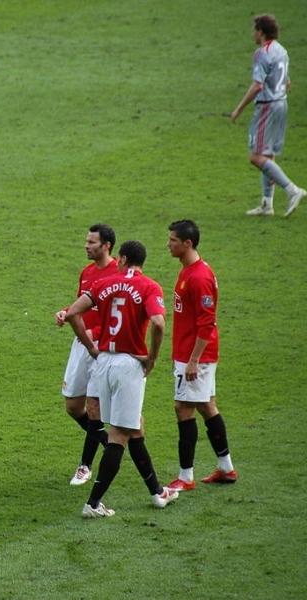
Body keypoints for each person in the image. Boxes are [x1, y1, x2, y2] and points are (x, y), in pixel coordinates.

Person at [66, 241, 178, 518]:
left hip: (102, 361)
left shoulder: (104, 283)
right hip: (129, 366)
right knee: (119, 435)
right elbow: (160, 323)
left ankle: (157, 493)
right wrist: (151, 357)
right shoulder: (149, 287)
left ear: (123, 258)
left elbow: (72, 313)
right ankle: (92, 504)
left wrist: (92, 348)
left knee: (134, 428)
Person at [166, 220, 237, 492]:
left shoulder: (198, 277)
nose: (168, 244)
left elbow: (207, 323)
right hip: (190, 351)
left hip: (194, 354)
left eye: (173, 240)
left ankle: (185, 477)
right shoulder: (189, 271)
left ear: (188, 243)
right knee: (207, 405)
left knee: (183, 408)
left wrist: (194, 360)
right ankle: (226, 468)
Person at [55, 224, 119, 486]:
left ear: (107, 246)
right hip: (81, 343)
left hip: (102, 348)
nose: (86, 246)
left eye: (92, 242)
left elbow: (121, 314)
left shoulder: (118, 274)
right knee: (73, 406)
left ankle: (85, 466)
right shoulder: (87, 272)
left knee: (94, 408)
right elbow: (81, 305)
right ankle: (111, 442)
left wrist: (96, 331)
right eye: (86, 241)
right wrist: (66, 312)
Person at [230, 15, 305, 217]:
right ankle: (267, 204)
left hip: (267, 106)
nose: (253, 33)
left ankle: (292, 190)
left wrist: (239, 108)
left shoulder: (262, 54)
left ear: (261, 32)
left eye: (255, 29)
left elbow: (257, 85)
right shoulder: (282, 50)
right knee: (268, 155)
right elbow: (287, 82)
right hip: (281, 103)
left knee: (256, 156)